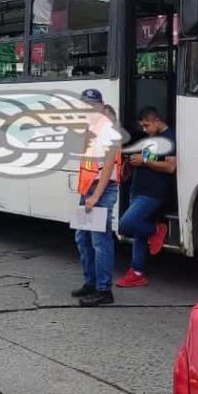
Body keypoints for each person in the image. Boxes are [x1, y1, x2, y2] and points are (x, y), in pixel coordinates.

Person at [72, 88, 123, 307]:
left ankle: (104, 290)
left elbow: (108, 167)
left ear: (101, 106)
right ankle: (91, 283)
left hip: (102, 190)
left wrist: (95, 197)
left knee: (99, 241)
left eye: (93, 106)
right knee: (82, 238)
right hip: (88, 191)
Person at [116, 106, 176, 287]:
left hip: (152, 192)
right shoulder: (152, 138)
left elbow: (171, 166)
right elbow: (150, 159)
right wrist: (135, 161)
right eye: (142, 126)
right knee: (137, 233)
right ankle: (137, 272)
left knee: (126, 224)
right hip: (138, 189)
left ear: (157, 121)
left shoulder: (170, 138)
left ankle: (155, 230)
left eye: (147, 125)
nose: (144, 129)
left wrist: (144, 161)